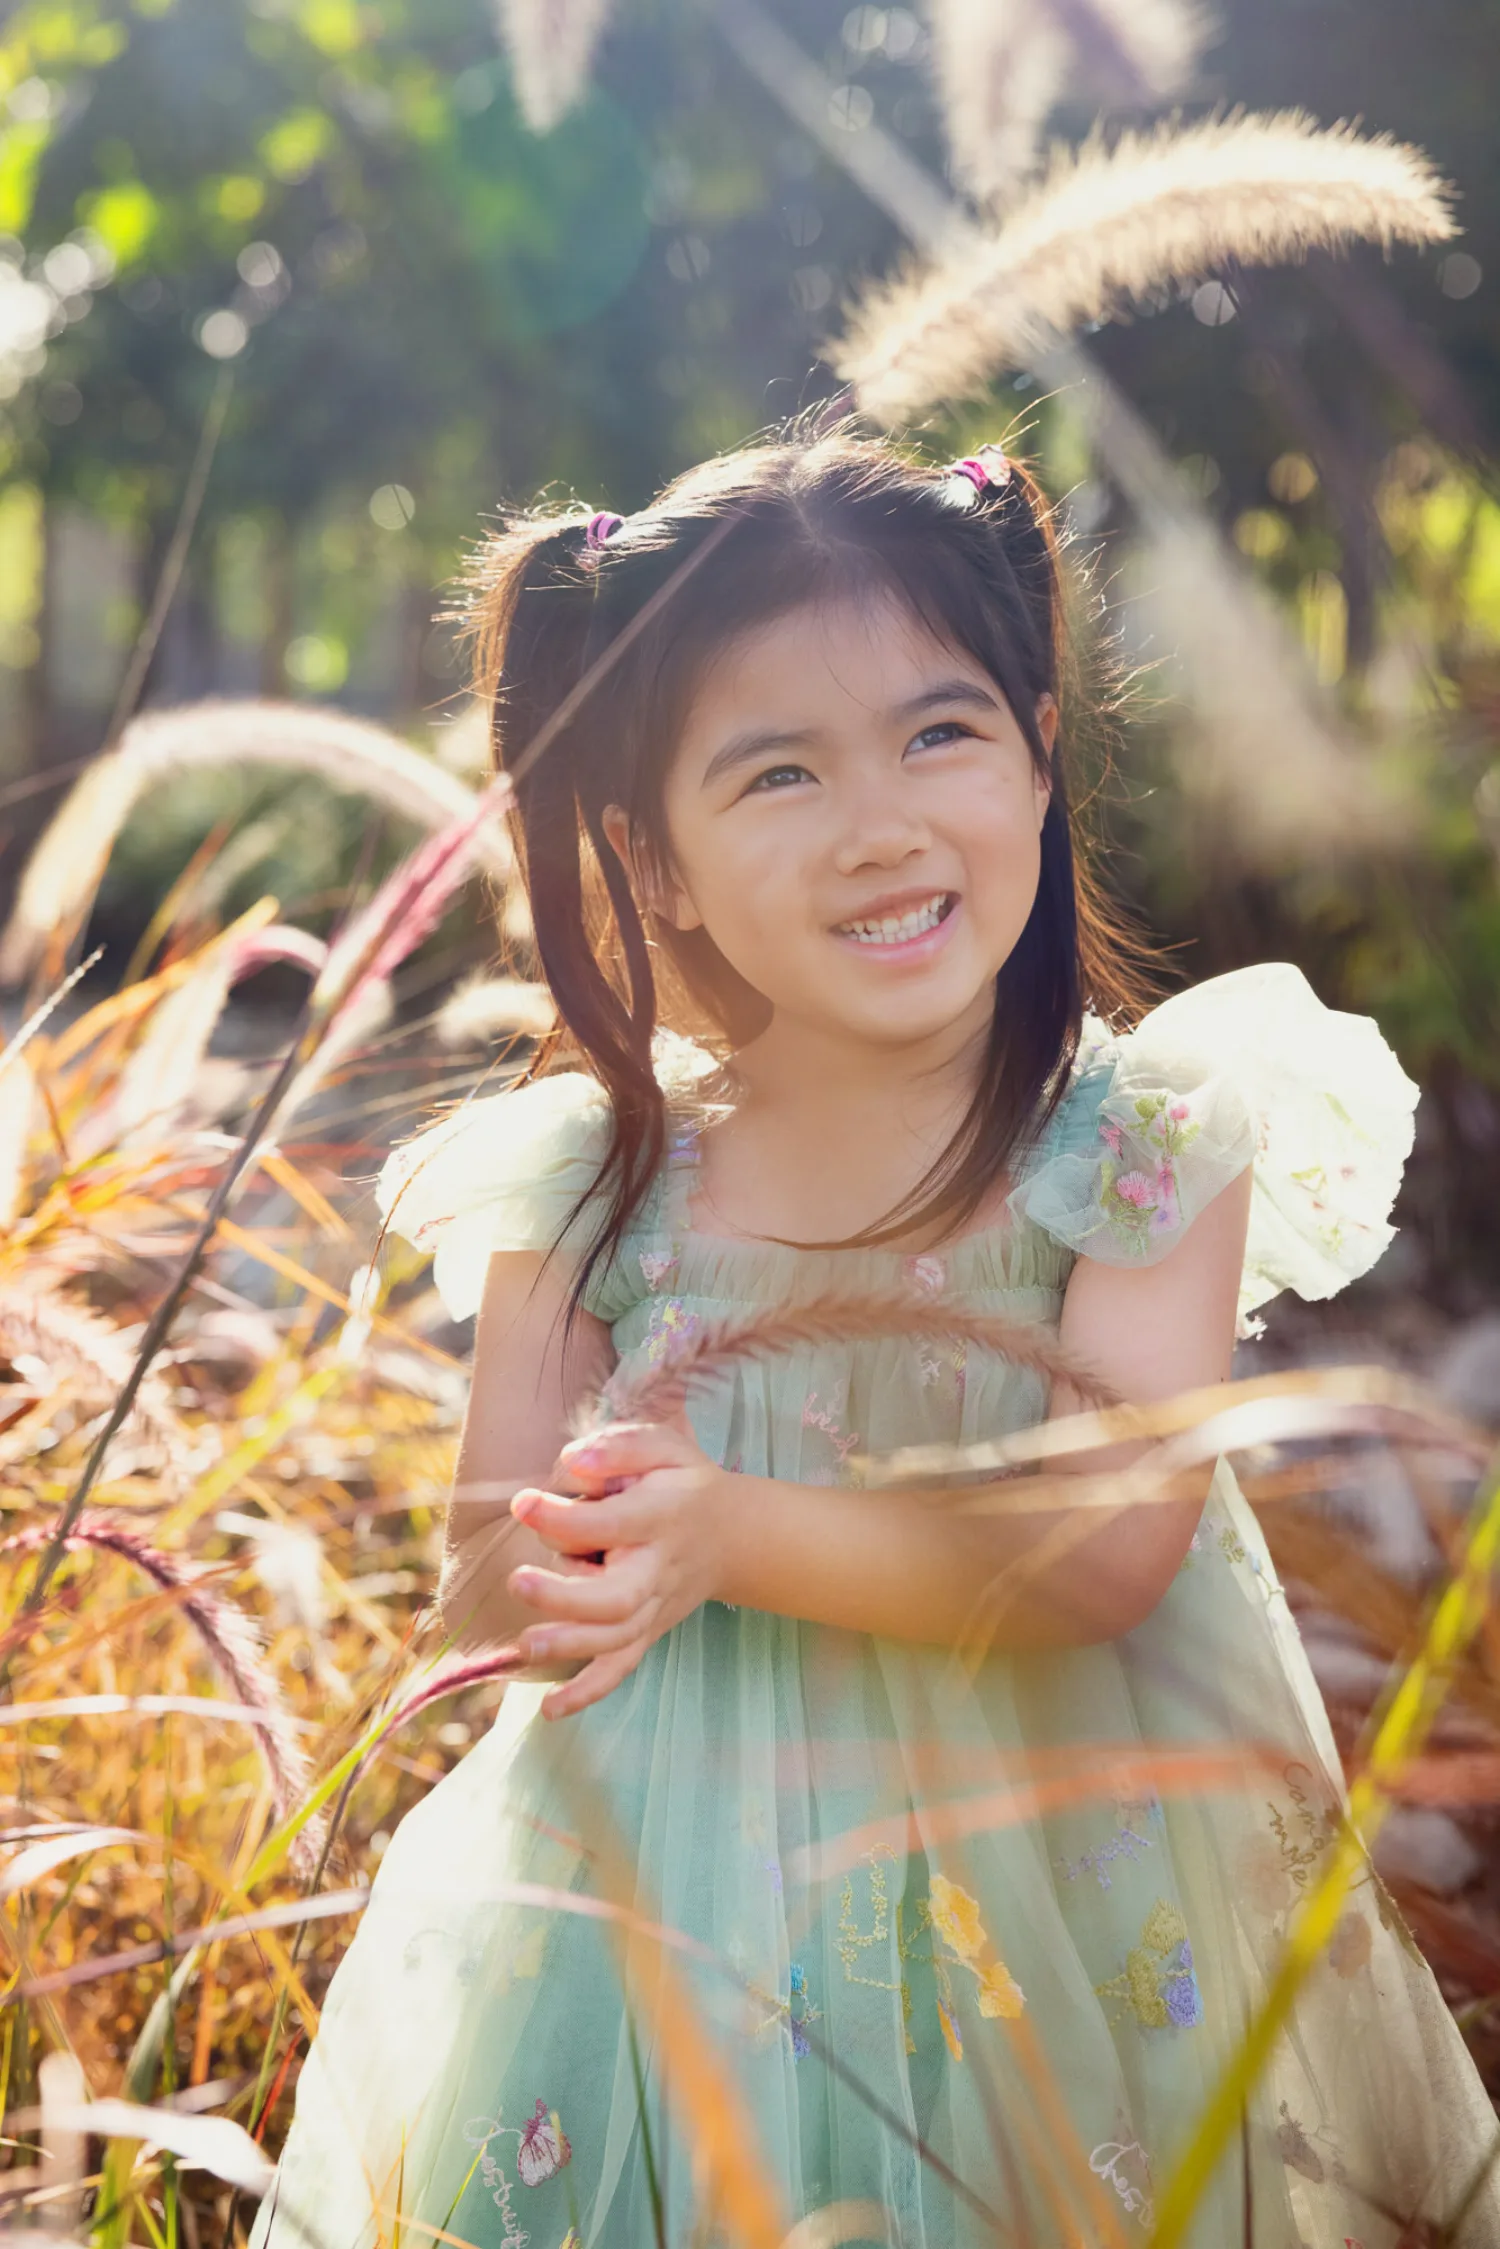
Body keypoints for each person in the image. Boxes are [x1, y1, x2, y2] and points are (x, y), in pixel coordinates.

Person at [252, 429, 1499, 2249]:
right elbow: (487, 1584)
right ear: (653, 862)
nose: (883, 823)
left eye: (940, 734)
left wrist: (728, 1530)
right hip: (686, 1900)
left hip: (1071, 1890)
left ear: (1042, 761)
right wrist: (581, 1546)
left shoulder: (1141, 1142)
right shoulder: (594, 1183)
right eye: (778, 771)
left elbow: (1102, 1548)